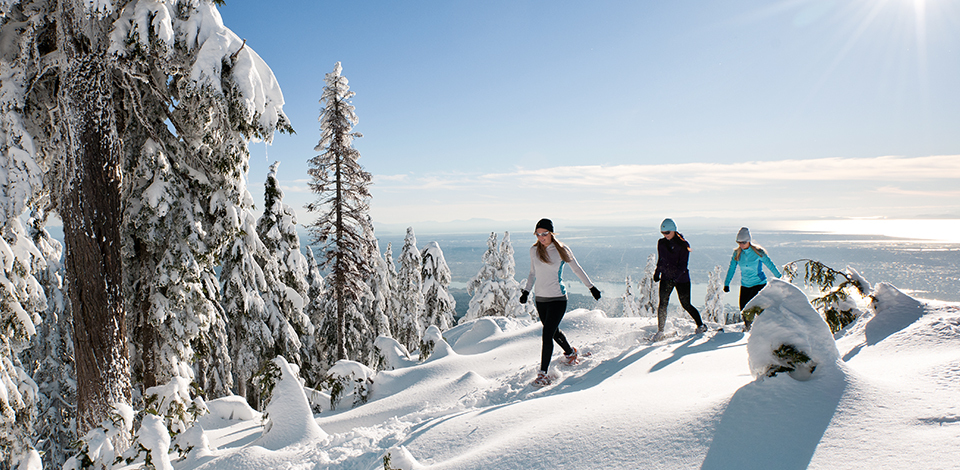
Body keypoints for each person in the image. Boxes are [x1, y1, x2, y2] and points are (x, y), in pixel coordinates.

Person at [520, 218, 601, 387]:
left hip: (558, 299)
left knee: (547, 334)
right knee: (554, 331)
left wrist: (591, 287)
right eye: (538, 234)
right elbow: (532, 273)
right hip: (540, 299)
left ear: (551, 233)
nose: (541, 237)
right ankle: (571, 353)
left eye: (544, 234)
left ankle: (543, 374)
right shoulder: (534, 250)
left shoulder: (562, 250)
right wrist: (526, 291)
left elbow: (577, 269)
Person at [653, 218, 707, 341]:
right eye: (663, 233)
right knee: (663, 304)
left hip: (681, 279)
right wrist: (657, 273)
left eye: (667, 232)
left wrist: (674, 278)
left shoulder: (683, 245)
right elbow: (661, 259)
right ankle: (660, 331)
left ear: (673, 231)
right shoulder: (661, 243)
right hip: (666, 278)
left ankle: (701, 325)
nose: (665, 235)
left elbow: (683, 265)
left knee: (686, 304)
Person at [723, 227, 781, 331]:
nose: (741, 244)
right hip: (745, 284)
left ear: (749, 241)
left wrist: (781, 279)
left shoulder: (758, 252)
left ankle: (762, 329)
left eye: (743, 242)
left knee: (757, 308)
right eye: (739, 242)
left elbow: (770, 265)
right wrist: (727, 283)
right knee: (743, 309)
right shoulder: (737, 253)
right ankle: (748, 328)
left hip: (759, 284)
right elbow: (731, 268)